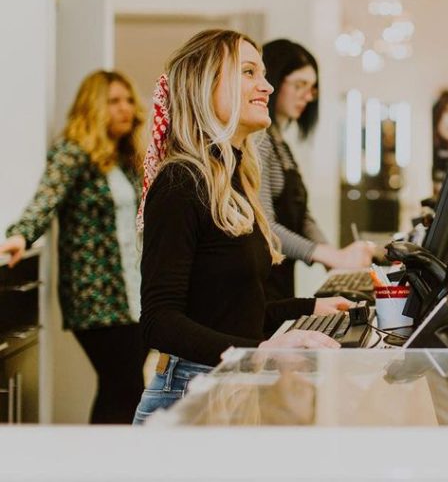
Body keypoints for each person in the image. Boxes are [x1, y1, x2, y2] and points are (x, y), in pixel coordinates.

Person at [133, 30, 351, 424]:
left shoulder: (233, 177)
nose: (266, 86)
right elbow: (159, 322)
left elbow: (230, 310)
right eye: (249, 72)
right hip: (189, 392)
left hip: (227, 384)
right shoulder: (181, 182)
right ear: (204, 86)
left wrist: (310, 308)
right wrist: (264, 350)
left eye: (264, 74)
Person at [1, 70, 148, 424]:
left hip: (133, 292)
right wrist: (21, 234)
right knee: (121, 383)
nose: (125, 108)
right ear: (93, 106)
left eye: (128, 100)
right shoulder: (72, 153)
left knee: (124, 386)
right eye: (114, 101)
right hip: (96, 296)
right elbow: (46, 199)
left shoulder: (125, 160)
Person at [258, 39, 374, 301]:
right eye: (299, 85)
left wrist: (334, 256)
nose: (308, 96)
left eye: (312, 89)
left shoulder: (279, 143)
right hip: (262, 286)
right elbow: (264, 226)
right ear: (273, 81)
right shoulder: (259, 141)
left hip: (282, 280)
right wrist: (327, 255)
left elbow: (302, 215)